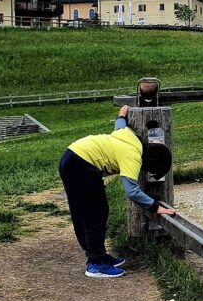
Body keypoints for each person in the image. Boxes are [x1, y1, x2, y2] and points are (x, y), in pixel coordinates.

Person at [58, 104, 176, 278]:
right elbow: (132, 191)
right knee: (94, 213)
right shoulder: (133, 156)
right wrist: (156, 207)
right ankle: (96, 264)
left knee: (91, 210)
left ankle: (97, 254)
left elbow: (119, 124)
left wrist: (122, 113)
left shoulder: (132, 138)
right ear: (149, 163)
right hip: (81, 165)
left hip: (73, 156)